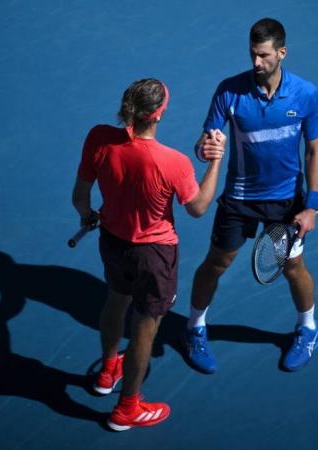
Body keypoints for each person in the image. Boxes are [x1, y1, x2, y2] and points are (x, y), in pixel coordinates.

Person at [72, 78, 225, 431]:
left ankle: (108, 370)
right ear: (159, 114)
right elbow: (198, 207)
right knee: (145, 326)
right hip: (153, 256)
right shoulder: (173, 161)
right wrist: (216, 161)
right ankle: (127, 408)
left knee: (115, 300)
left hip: (112, 242)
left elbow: (80, 196)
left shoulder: (98, 137)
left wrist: (87, 215)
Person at [185, 18, 318, 373]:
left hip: (285, 200)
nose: (256, 63)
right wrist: (206, 147)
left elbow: (314, 152)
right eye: (252, 54)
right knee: (216, 263)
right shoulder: (229, 91)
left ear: (281, 52)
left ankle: (308, 329)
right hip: (239, 198)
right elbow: (206, 141)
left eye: (263, 55)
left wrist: (310, 206)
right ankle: (195, 327)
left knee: (293, 267)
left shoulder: (305, 94)